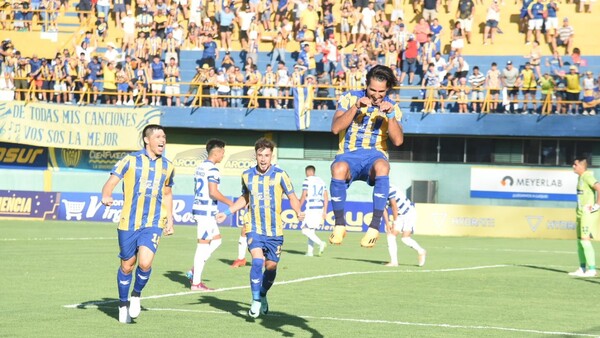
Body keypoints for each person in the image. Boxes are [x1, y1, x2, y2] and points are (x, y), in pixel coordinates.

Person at [216, 138, 304, 318]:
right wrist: (227, 211)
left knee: (271, 267)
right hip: (254, 226)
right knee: (257, 261)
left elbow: (292, 196)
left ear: (272, 156)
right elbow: (245, 198)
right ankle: (255, 299)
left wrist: (298, 211)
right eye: (260, 155)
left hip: (275, 231)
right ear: (255, 155)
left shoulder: (281, 175)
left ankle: (262, 293)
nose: (263, 159)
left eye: (267, 155)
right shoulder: (247, 175)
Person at [101, 124, 175, 324]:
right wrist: (106, 195)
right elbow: (110, 183)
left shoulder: (168, 165)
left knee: (145, 262)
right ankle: (123, 303)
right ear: (147, 139)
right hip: (128, 222)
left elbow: (167, 193)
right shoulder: (130, 160)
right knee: (127, 266)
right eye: (159, 136)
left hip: (153, 221)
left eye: (164, 137)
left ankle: (136, 294)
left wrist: (170, 218)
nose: (163, 140)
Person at [329, 65, 403, 248]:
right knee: (337, 168)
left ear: (387, 90)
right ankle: (339, 225)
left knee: (383, 167)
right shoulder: (350, 98)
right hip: (349, 155)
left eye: (381, 91)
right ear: (366, 85)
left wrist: (391, 116)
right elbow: (336, 128)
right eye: (372, 90)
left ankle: (374, 227)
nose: (376, 95)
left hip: (374, 156)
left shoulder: (393, 107)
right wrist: (355, 107)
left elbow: (398, 141)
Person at [187, 139, 234, 291]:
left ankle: (194, 270)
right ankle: (196, 283)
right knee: (202, 246)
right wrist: (230, 203)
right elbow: (213, 192)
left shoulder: (200, 167)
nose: (223, 155)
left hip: (202, 209)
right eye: (223, 152)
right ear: (217, 152)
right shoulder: (213, 169)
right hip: (205, 212)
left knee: (217, 241)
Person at [568, 155, 600, 278]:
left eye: (575, 164)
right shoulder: (580, 178)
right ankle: (582, 268)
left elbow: (599, 187)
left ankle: (592, 270)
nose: (573, 166)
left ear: (581, 166)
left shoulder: (587, 176)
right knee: (579, 242)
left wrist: (597, 205)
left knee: (585, 241)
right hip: (580, 213)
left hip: (588, 214)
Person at [383, 185, 426, 267]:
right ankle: (394, 262)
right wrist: (387, 223)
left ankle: (421, 251)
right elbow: (383, 209)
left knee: (405, 238)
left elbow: (394, 207)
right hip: (399, 215)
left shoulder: (390, 189)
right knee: (390, 235)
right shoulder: (378, 192)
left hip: (409, 213)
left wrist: (394, 222)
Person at [298, 165, 328, 257]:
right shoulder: (322, 181)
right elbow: (326, 197)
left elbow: (304, 195)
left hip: (311, 208)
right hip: (319, 208)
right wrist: (325, 211)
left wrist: (298, 207)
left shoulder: (307, 180)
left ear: (307, 172)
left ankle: (321, 243)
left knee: (304, 230)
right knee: (311, 231)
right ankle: (310, 252)